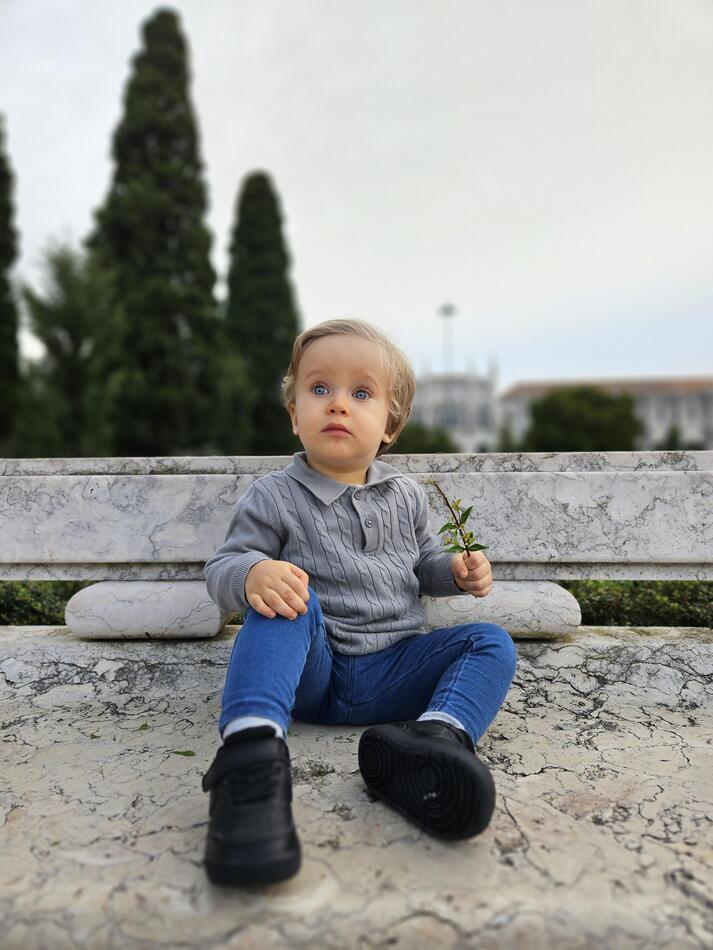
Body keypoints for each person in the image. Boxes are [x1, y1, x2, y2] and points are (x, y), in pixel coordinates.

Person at [202, 318, 517, 886]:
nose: (338, 404)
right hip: (313, 674)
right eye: (319, 388)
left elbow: (422, 565)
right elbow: (222, 567)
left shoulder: (407, 495)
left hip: (396, 671)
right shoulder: (274, 496)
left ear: (390, 425)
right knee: (289, 600)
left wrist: (454, 572)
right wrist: (253, 573)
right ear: (295, 413)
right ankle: (250, 757)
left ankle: (435, 740)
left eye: (361, 393)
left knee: (490, 642)